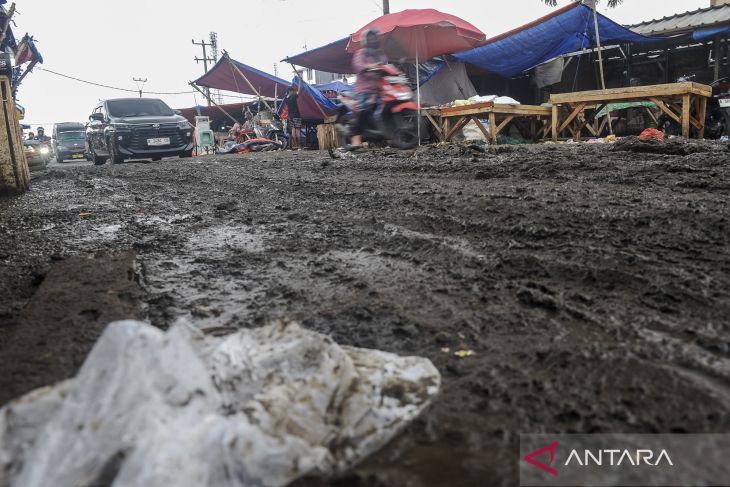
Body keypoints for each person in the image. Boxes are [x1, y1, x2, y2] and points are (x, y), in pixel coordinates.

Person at [350, 28, 388, 149]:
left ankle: (383, 136)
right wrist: (369, 66)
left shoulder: (380, 54)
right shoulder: (361, 53)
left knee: (387, 108)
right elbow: (358, 65)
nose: (373, 40)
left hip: (379, 89)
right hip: (364, 89)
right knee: (363, 110)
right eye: (370, 38)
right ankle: (356, 139)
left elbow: (386, 65)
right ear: (365, 40)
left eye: (374, 38)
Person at [285, 81, 302, 149]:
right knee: (297, 130)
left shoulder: (286, 98)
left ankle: (294, 145)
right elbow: (299, 91)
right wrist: (300, 82)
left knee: (293, 130)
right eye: (292, 90)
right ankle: (299, 145)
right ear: (290, 91)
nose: (293, 91)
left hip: (290, 116)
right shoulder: (294, 95)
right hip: (296, 115)